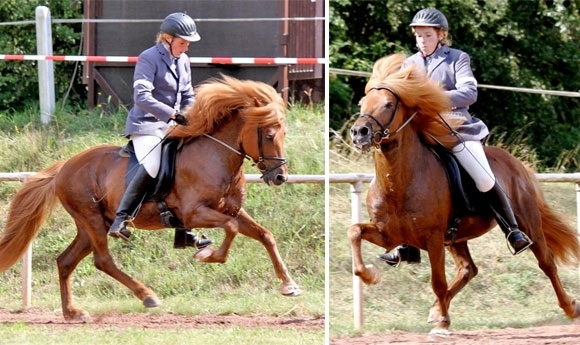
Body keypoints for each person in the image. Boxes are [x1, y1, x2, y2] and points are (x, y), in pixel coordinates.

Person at [377, 8, 532, 267]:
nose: (422, 41)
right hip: (420, 132)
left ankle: (512, 229)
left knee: (482, 176)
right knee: (394, 175)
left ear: (441, 35)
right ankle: (404, 244)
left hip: (456, 128)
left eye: (427, 35)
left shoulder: (457, 59)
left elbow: (469, 93)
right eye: (418, 36)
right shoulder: (409, 64)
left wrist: (432, 100)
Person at [108, 12, 212, 250]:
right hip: (146, 124)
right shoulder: (148, 58)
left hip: (172, 125)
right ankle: (121, 219)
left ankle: (184, 231)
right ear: (167, 38)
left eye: (187, 43)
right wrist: (173, 114)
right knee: (153, 163)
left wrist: (195, 113)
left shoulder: (183, 60)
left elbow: (187, 95)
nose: (186, 47)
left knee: (189, 162)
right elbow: (141, 97)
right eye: (182, 42)